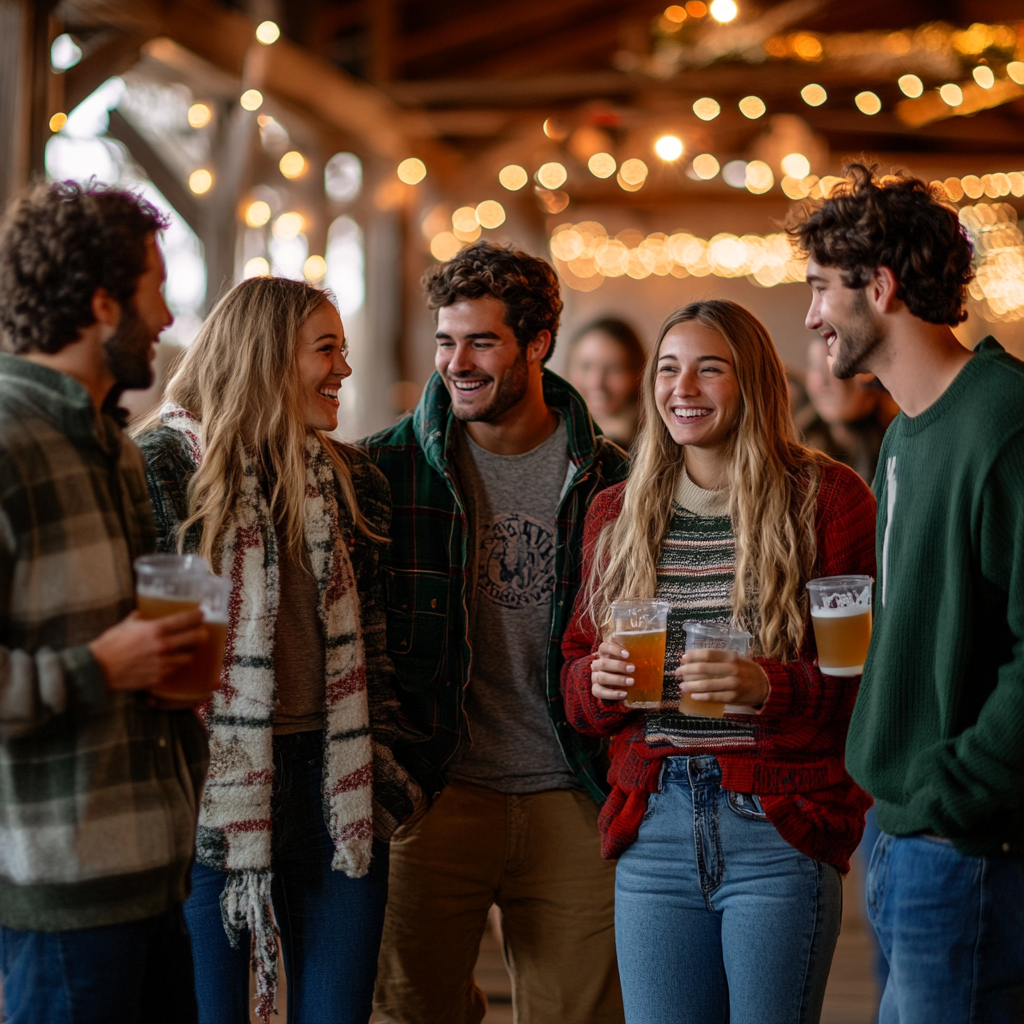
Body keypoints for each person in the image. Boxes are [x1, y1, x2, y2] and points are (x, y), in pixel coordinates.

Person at [561, 299, 876, 1024]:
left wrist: (770, 686)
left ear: (756, 382)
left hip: (776, 825)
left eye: (710, 369)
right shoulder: (616, 512)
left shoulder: (829, 500)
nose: (683, 389)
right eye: (669, 370)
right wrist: (597, 682)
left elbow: (859, 681)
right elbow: (576, 679)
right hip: (654, 822)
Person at [133, 276, 421, 1024]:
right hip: (211, 800)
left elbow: (381, 652)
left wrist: (392, 780)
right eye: (326, 349)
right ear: (265, 356)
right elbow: (156, 662)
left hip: (339, 792)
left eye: (345, 350)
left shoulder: (354, 478)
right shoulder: (162, 468)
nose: (344, 370)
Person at [363, 241, 628, 1024]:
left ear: (538, 344)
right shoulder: (382, 472)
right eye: (447, 341)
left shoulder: (618, 480)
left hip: (573, 790)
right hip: (435, 790)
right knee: (415, 1012)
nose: (458, 362)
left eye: (482, 341)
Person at [795, 164, 1024, 1024]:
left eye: (822, 289)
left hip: (964, 845)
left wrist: (949, 795)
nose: (812, 314)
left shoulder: (1004, 424)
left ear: (880, 287)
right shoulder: (902, 441)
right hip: (898, 834)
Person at [0, 181, 210, 1023]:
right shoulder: (9, 439)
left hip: (159, 877)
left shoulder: (116, 445)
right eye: (155, 288)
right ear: (99, 302)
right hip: (60, 891)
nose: (165, 317)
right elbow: (98, 655)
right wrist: (95, 667)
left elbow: (138, 632)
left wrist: (179, 664)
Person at [802, 336, 897, 483]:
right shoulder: (797, 444)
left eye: (833, 366)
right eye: (815, 367)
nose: (823, 381)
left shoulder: (899, 443)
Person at [566, 316, 646, 448]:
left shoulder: (654, 444)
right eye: (585, 366)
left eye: (614, 369)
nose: (596, 382)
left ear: (638, 374)